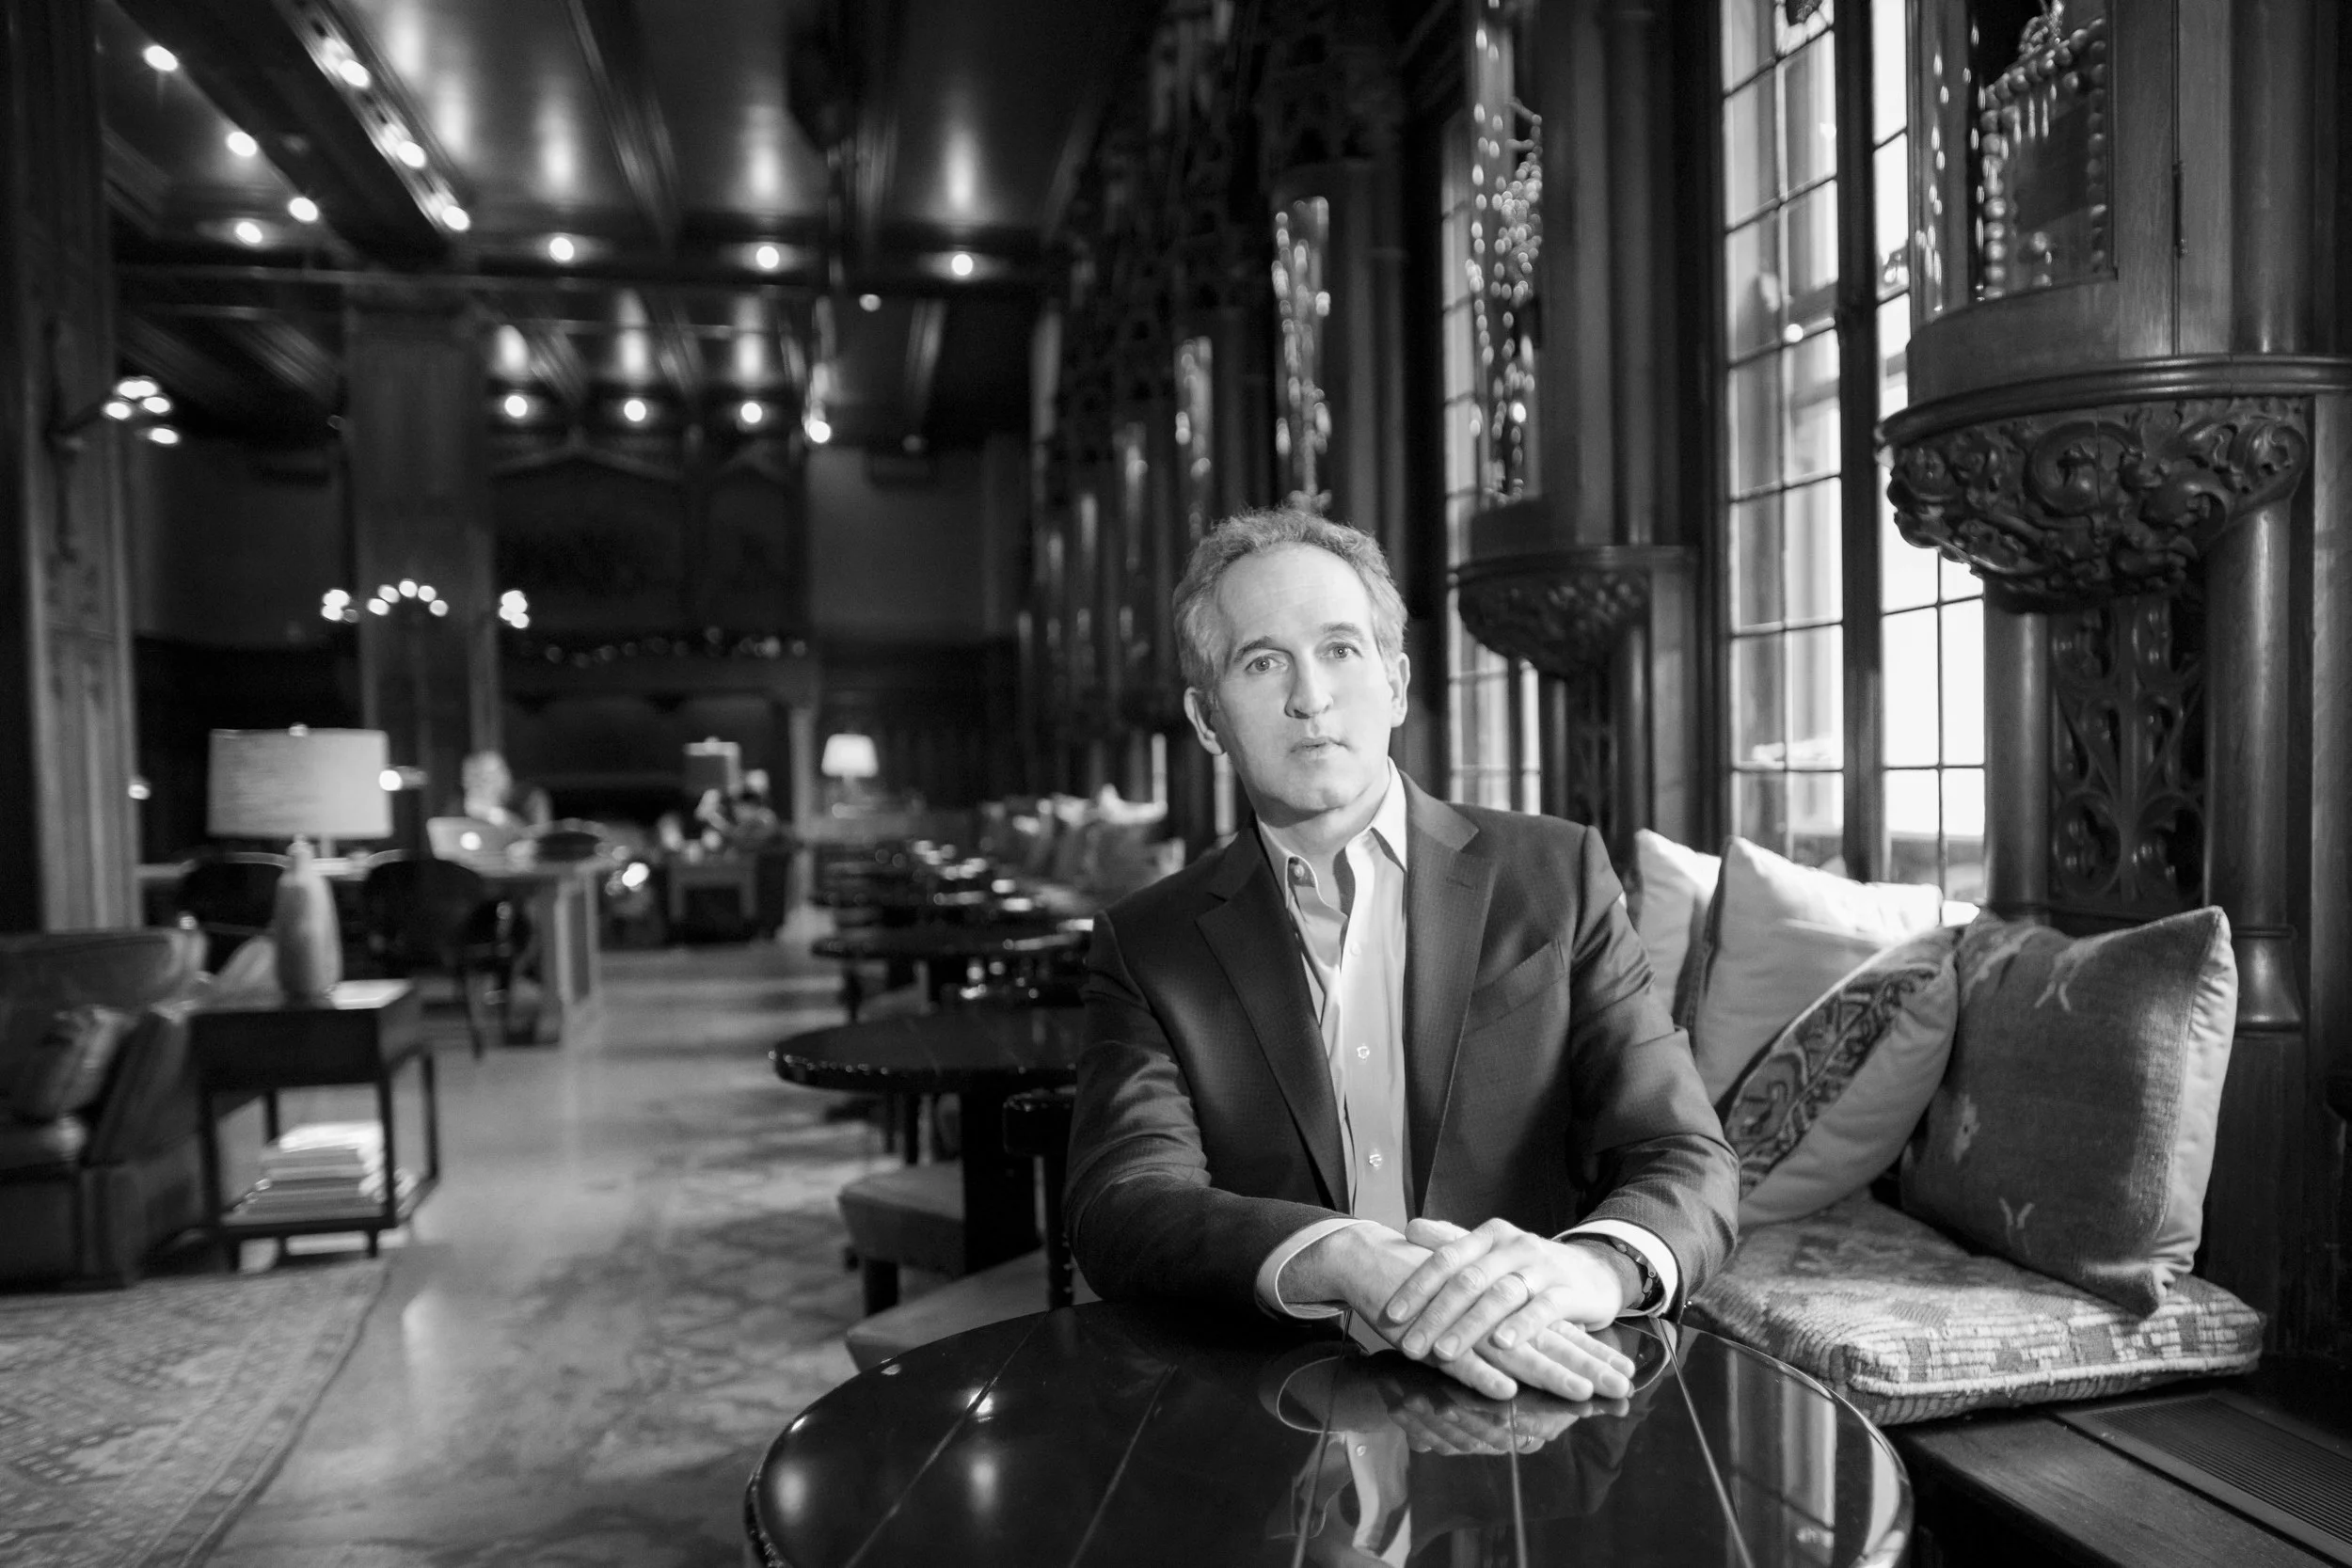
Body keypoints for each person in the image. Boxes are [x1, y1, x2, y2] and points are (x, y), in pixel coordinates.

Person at [1065, 508, 1737, 1404]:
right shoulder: (1148, 944)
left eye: (1341, 649)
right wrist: (1335, 1256)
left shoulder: (1556, 875)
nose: (1311, 696)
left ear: (1396, 681)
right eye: (1263, 663)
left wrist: (1588, 1270)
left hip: (1538, 1390)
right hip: (1274, 1400)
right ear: (1208, 718)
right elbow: (1122, 1200)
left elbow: (1683, 1151)